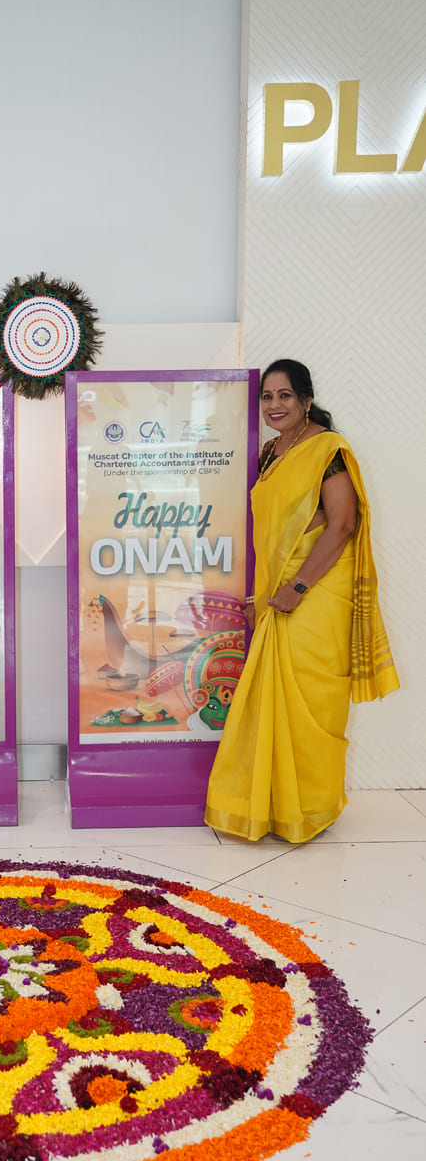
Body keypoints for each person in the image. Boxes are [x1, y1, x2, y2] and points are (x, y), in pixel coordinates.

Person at [205, 359, 398, 843]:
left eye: (285, 395)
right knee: (271, 706)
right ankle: (271, 809)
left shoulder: (328, 450)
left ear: (306, 400)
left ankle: (309, 811)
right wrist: (264, 595)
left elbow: (342, 524)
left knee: (312, 705)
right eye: (267, 396)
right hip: (278, 596)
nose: (274, 405)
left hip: (316, 595)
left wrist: (298, 588)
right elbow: (271, 535)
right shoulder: (271, 452)